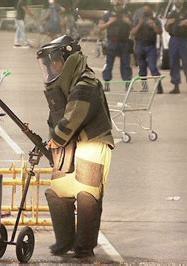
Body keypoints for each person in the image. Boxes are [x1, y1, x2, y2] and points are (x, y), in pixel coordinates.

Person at [36, 35, 115, 258]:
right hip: (69, 146)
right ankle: (64, 242)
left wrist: (56, 140)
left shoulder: (86, 84)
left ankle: (84, 248)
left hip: (92, 144)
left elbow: (73, 118)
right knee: (58, 193)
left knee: (87, 196)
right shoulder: (69, 84)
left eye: (56, 61)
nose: (52, 67)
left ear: (69, 59)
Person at [164, 0, 187, 94]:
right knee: (173, 63)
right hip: (174, 39)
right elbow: (166, 29)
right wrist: (168, 23)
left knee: (186, 63)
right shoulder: (171, 14)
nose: (177, 1)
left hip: (184, 40)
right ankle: (176, 85)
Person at [98, 0, 133, 89]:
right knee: (108, 64)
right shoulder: (108, 14)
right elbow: (100, 27)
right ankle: (106, 84)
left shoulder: (128, 13)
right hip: (112, 42)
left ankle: (127, 84)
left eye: (121, 1)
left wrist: (128, 22)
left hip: (124, 42)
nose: (119, 2)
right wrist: (109, 22)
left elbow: (134, 26)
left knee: (126, 65)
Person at [131, 4, 164, 93]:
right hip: (139, 45)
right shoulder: (138, 20)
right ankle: (144, 87)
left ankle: (159, 87)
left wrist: (153, 25)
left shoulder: (155, 20)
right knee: (142, 69)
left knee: (153, 67)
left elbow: (160, 32)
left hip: (150, 46)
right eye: (144, 9)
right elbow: (133, 32)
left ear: (151, 10)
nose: (145, 11)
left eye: (147, 9)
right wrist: (140, 23)